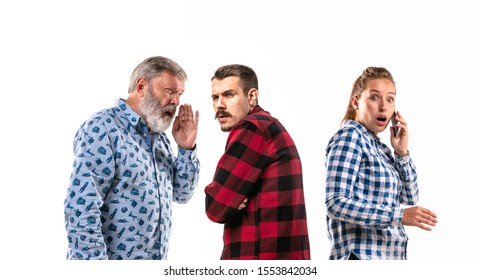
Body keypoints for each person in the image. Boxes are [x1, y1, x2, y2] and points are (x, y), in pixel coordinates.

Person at [63, 56, 200, 260]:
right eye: (170, 91)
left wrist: (186, 149)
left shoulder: (160, 139)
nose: (176, 101)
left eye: (179, 94)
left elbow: (182, 194)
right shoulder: (104, 128)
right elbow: (81, 207)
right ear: (142, 86)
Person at [324, 66, 438, 260]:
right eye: (374, 97)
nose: (383, 107)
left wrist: (402, 153)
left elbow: (410, 198)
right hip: (360, 257)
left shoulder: (381, 150)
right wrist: (399, 216)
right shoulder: (350, 137)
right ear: (356, 101)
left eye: (390, 99)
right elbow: (335, 203)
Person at [205, 64, 310, 260]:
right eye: (215, 97)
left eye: (229, 95)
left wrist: (231, 200)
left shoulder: (252, 128)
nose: (219, 104)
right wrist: (233, 200)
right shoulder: (269, 125)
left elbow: (215, 206)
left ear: (251, 96)